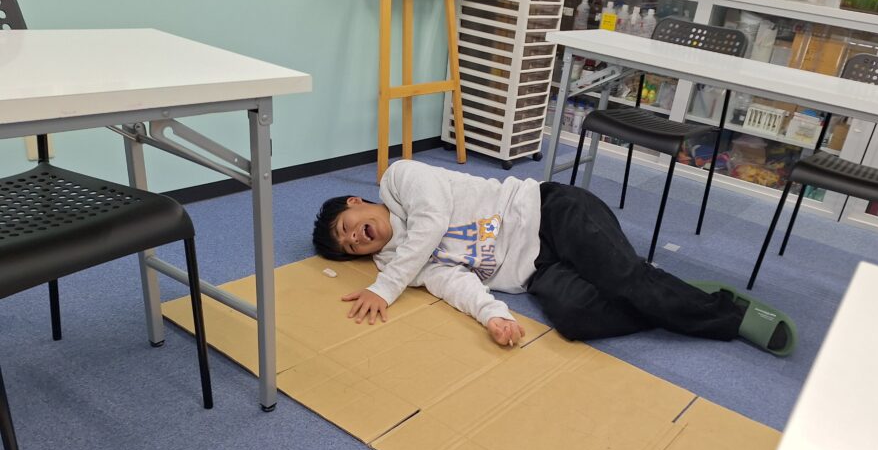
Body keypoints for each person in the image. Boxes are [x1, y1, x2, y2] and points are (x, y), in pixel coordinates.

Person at [311, 160, 795, 355]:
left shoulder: (399, 180)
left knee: (622, 281)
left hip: (552, 211)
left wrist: (385, 288)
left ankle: (730, 315)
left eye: (346, 227)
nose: (354, 238)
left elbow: (432, 221)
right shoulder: (403, 264)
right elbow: (455, 284)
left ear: (356, 202)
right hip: (537, 270)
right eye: (349, 246)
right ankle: (665, 290)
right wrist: (494, 317)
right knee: (576, 320)